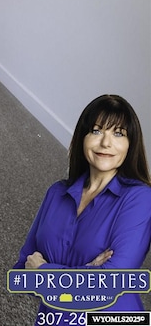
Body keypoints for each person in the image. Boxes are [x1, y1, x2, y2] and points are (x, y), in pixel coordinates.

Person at [13, 94, 151, 322]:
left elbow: (110, 285)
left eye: (118, 133)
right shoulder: (56, 193)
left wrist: (44, 271)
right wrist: (85, 273)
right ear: (82, 138)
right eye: (96, 131)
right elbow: (21, 273)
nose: (106, 143)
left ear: (130, 144)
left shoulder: (140, 198)